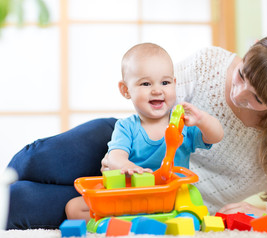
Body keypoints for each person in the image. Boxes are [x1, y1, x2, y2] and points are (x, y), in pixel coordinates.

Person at [6, 30, 267, 230]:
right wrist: (118, 154)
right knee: (39, 159)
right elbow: (154, 93)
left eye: (257, 98)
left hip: (160, 201)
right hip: (126, 148)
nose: (238, 93)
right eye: (242, 73)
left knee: (20, 203)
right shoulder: (211, 64)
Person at [64, 43, 223, 222]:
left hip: (171, 197)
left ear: (174, 84)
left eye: (165, 82)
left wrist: (202, 120)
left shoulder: (182, 123)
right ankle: (132, 219)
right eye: (146, 83)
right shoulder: (127, 127)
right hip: (134, 194)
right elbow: (115, 157)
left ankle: (134, 220)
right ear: (126, 90)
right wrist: (130, 168)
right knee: (74, 208)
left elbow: (216, 136)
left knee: (192, 206)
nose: (157, 90)